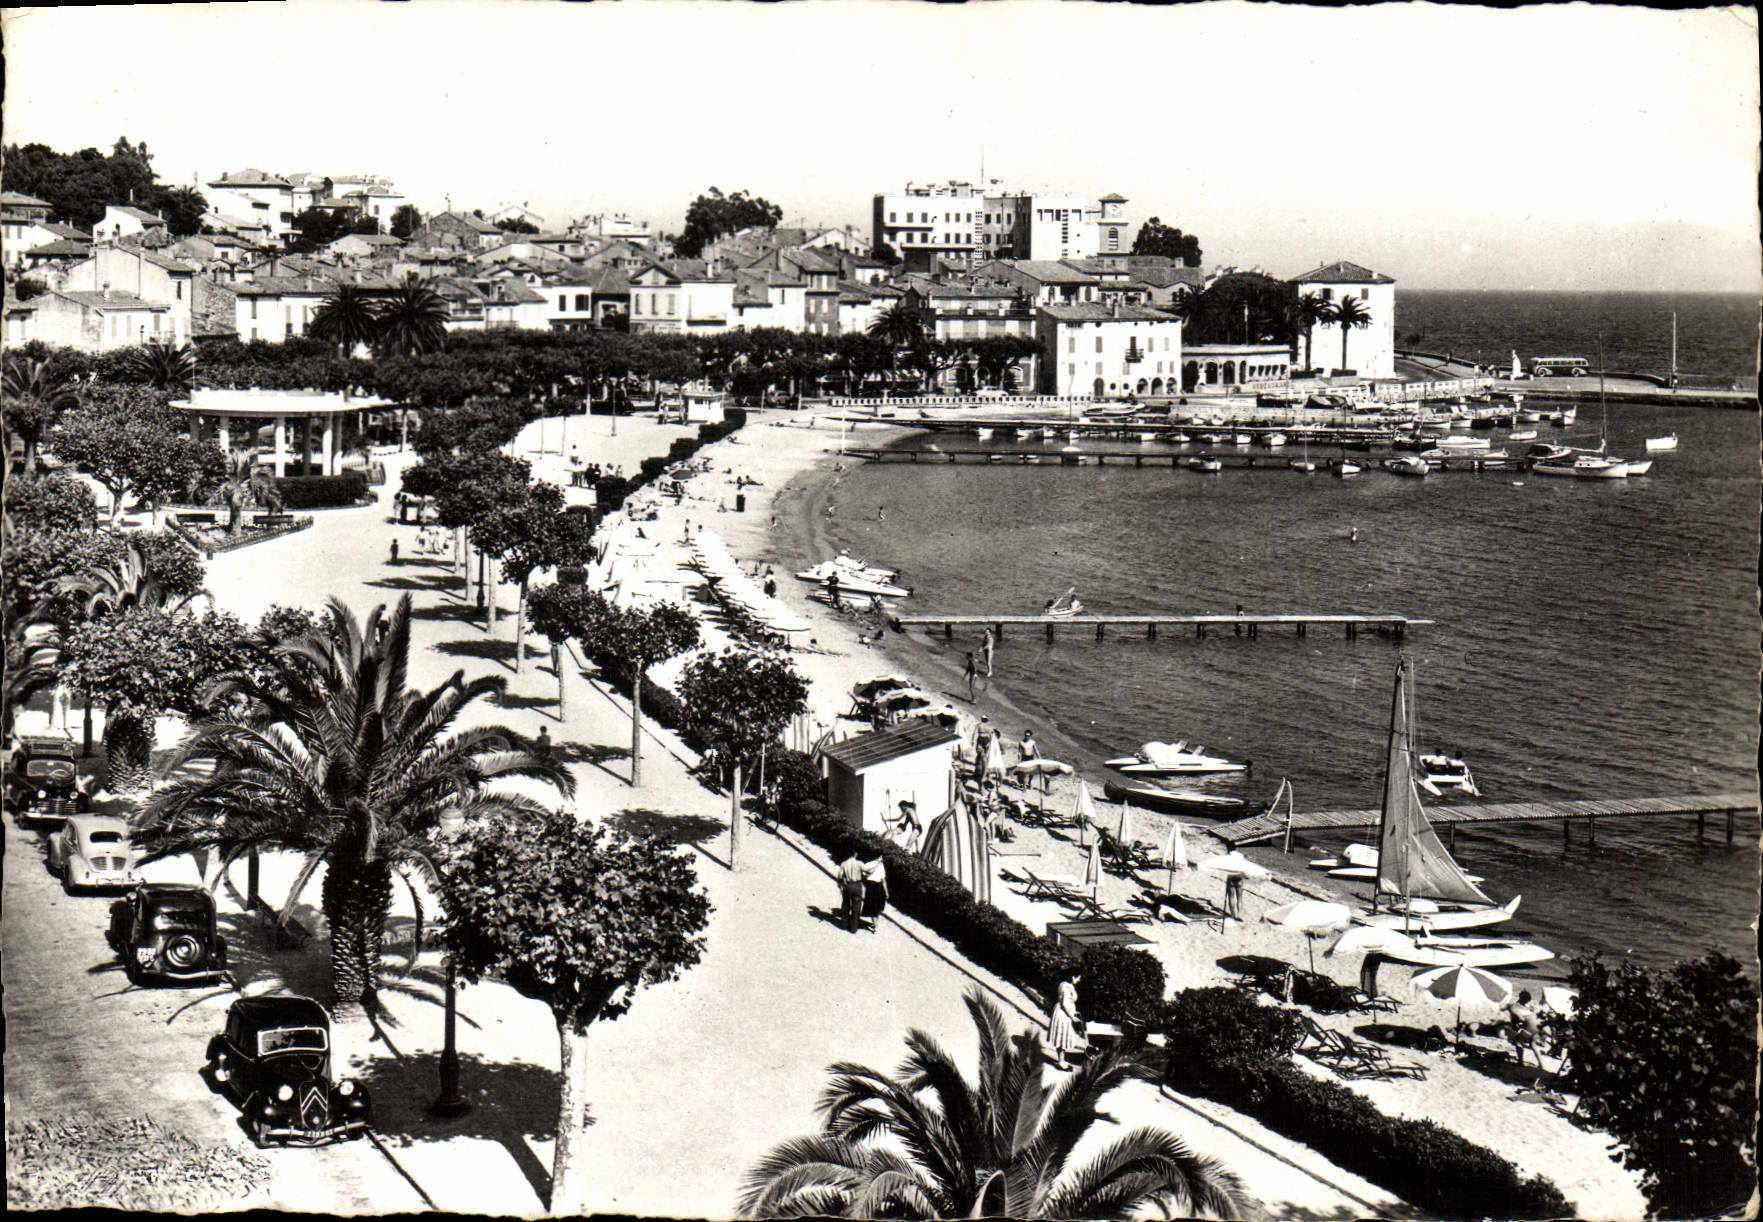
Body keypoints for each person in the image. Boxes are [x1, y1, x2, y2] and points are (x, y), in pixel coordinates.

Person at [1047, 971, 1085, 1070]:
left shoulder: (1067, 985)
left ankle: (1062, 1060)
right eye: (1078, 977)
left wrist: (1074, 1012)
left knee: (1063, 1038)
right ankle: (1061, 1062)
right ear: (1072, 976)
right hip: (1062, 1014)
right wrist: (1072, 1017)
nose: (1079, 980)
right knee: (1061, 1038)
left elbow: (1069, 1002)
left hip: (1065, 1014)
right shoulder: (1065, 987)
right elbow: (1064, 1004)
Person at [836, 852, 867, 933]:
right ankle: (854, 928)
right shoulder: (859, 863)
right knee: (856, 906)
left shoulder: (844, 864)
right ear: (855, 854)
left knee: (846, 904)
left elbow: (840, 876)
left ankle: (844, 924)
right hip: (857, 885)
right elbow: (866, 872)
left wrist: (840, 885)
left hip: (848, 885)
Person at [861, 850, 889, 932]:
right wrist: (877, 864)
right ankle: (876, 925)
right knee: (873, 906)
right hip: (873, 886)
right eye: (881, 857)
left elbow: (883, 880)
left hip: (876, 886)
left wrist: (886, 891)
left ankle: (876, 924)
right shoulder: (870, 864)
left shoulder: (880, 865)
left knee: (876, 907)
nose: (882, 858)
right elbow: (867, 873)